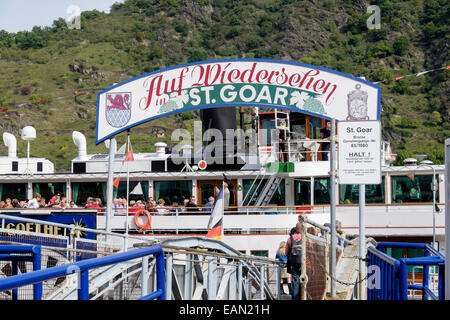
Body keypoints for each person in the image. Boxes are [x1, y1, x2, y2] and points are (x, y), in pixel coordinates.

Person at [285, 222, 303, 300]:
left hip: (294, 265)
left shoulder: (290, 239)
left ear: (295, 229)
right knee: (303, 283)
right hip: (304, 265)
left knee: (295, 284)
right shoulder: (306, 238)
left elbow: (286, 253)